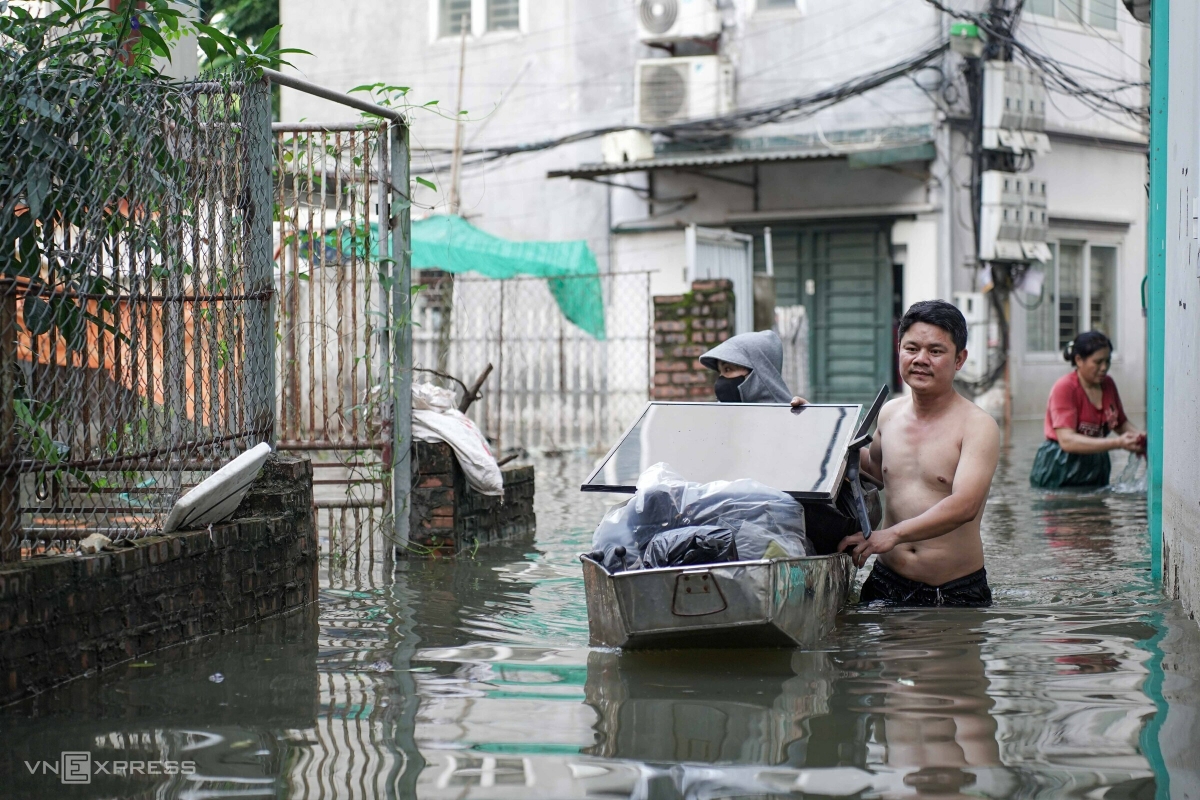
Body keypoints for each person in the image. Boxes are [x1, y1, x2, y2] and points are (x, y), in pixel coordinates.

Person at [793, 299, 1000, 607]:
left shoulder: (978, 426)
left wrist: (890, 535)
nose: (921, 359)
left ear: (960, 359)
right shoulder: (890, 413)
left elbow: (964, 505)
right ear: (899, 350)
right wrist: (820, 429)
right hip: (886, 580)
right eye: (911, 348)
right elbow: (875, 470)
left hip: (953, 591)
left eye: (936, 351)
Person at [1029, 331, 1145, 489]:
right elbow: (1067, 441)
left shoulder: (1108, 384)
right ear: (1078, 360)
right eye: (1098, 362)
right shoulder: (1065, 388)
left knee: (1097, 509)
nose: (1104, 368)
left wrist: (1141, 438)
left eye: (1107, 361)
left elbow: (1120, 424)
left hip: (1096, 464)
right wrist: (1117, 443)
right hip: (1061, 466)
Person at [699, 330, 792, 403]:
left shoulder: (792, 421)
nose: (720, 380)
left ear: (758, 374)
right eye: (720, 372)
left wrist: (804, 414)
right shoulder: (720, 419)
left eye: (728, 369)